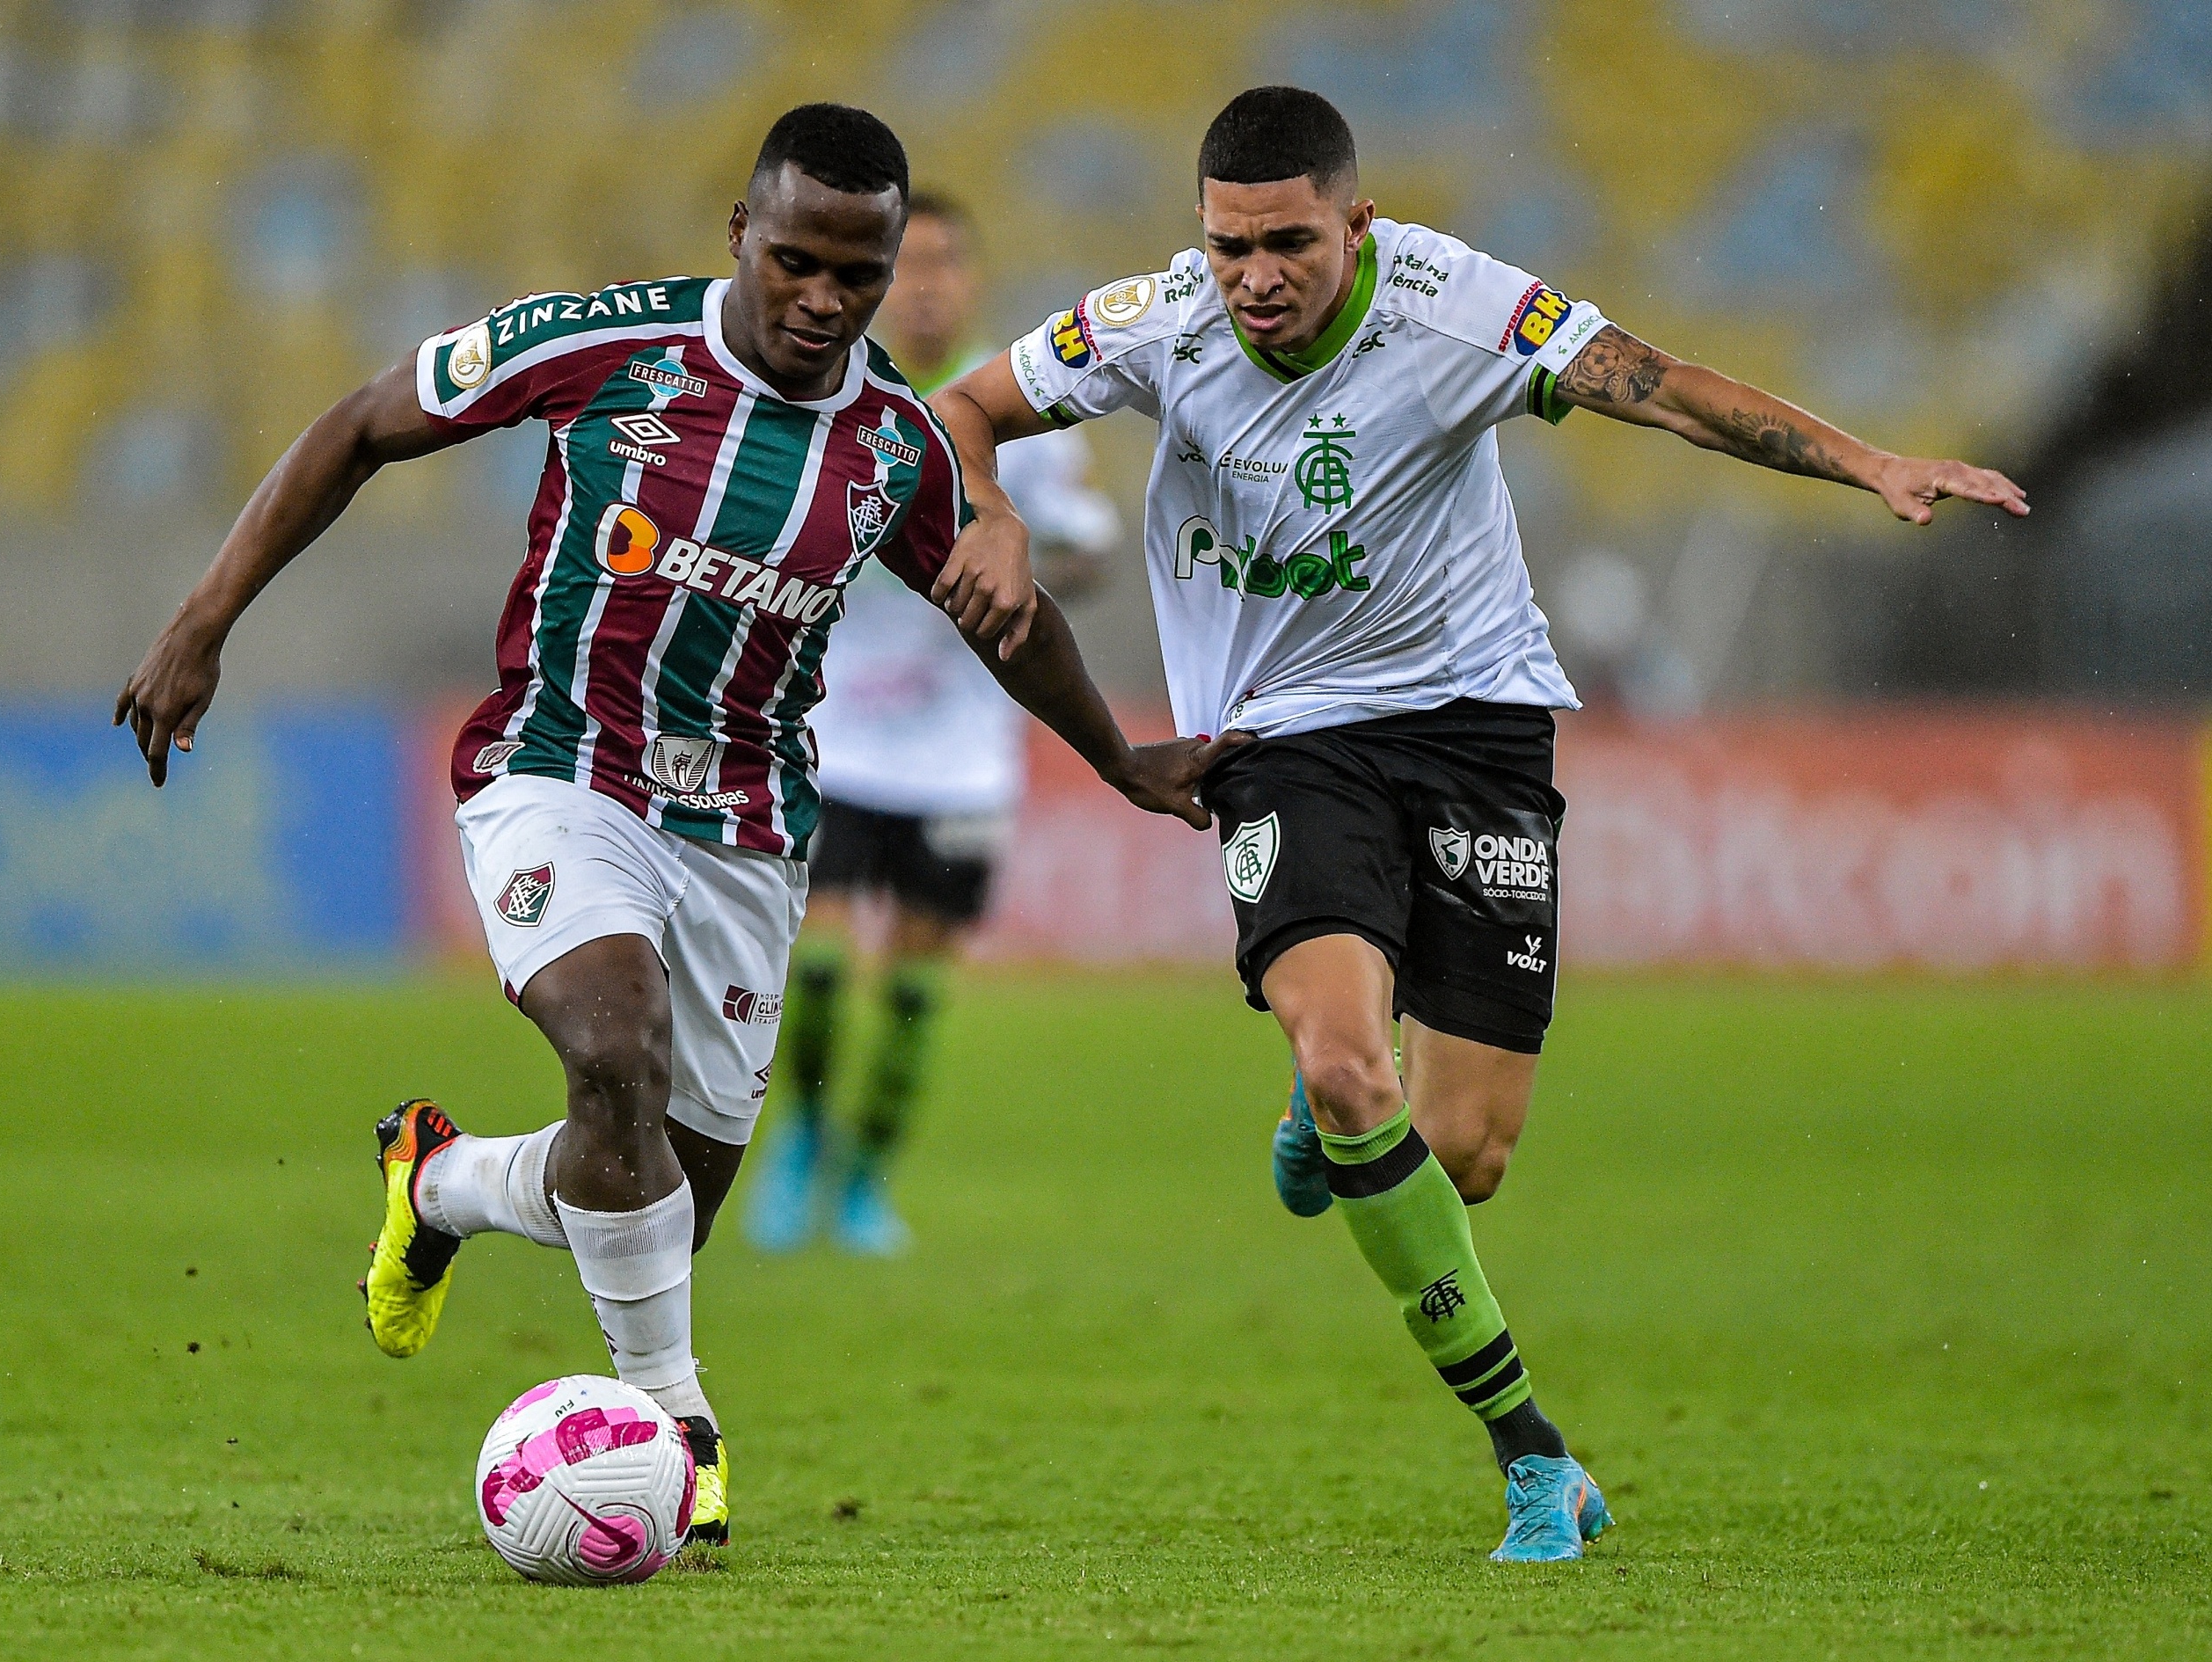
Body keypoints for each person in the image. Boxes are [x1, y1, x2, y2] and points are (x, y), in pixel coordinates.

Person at [931, 86, 2028, 1562]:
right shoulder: (1158, 318)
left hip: (1477, 727)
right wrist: (987, 510)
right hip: (1278, 739)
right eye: (1230, 244)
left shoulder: (1458, 308)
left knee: (1467, 1154)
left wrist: (1871, 464)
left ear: (1357, 224)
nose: (1255, 278)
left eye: (1289, 245)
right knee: (1346, 1064)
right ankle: (1532, 1455)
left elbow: (1665, 383)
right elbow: (965, 408)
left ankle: (1335, 1112)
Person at [113, 104, 1220, 1551]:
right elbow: (362, 424)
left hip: (748, 835)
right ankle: (678, 1424)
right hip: (559, 772)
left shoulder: (890, 445)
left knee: (654, 1196)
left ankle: (439, 1179)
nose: (822, 300)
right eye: (795, 262)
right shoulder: (608, 348)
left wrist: (1123, 758)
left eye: (857, 276)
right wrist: (202, 624)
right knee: (613, 1041)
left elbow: (1008, 623)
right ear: (740, 237)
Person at [744, 191, 1122, 1257]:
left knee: (911, 992)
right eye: (909, 264)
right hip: (833, 731)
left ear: (971, 279)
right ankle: (803, 1147)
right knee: (815, 969)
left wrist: (1041, 555)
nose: (928, 284)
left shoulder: (1016, 409)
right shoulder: (827, 388)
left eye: (947, 263)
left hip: (962, 755)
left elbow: (1089, 546)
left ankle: (865, 1181)